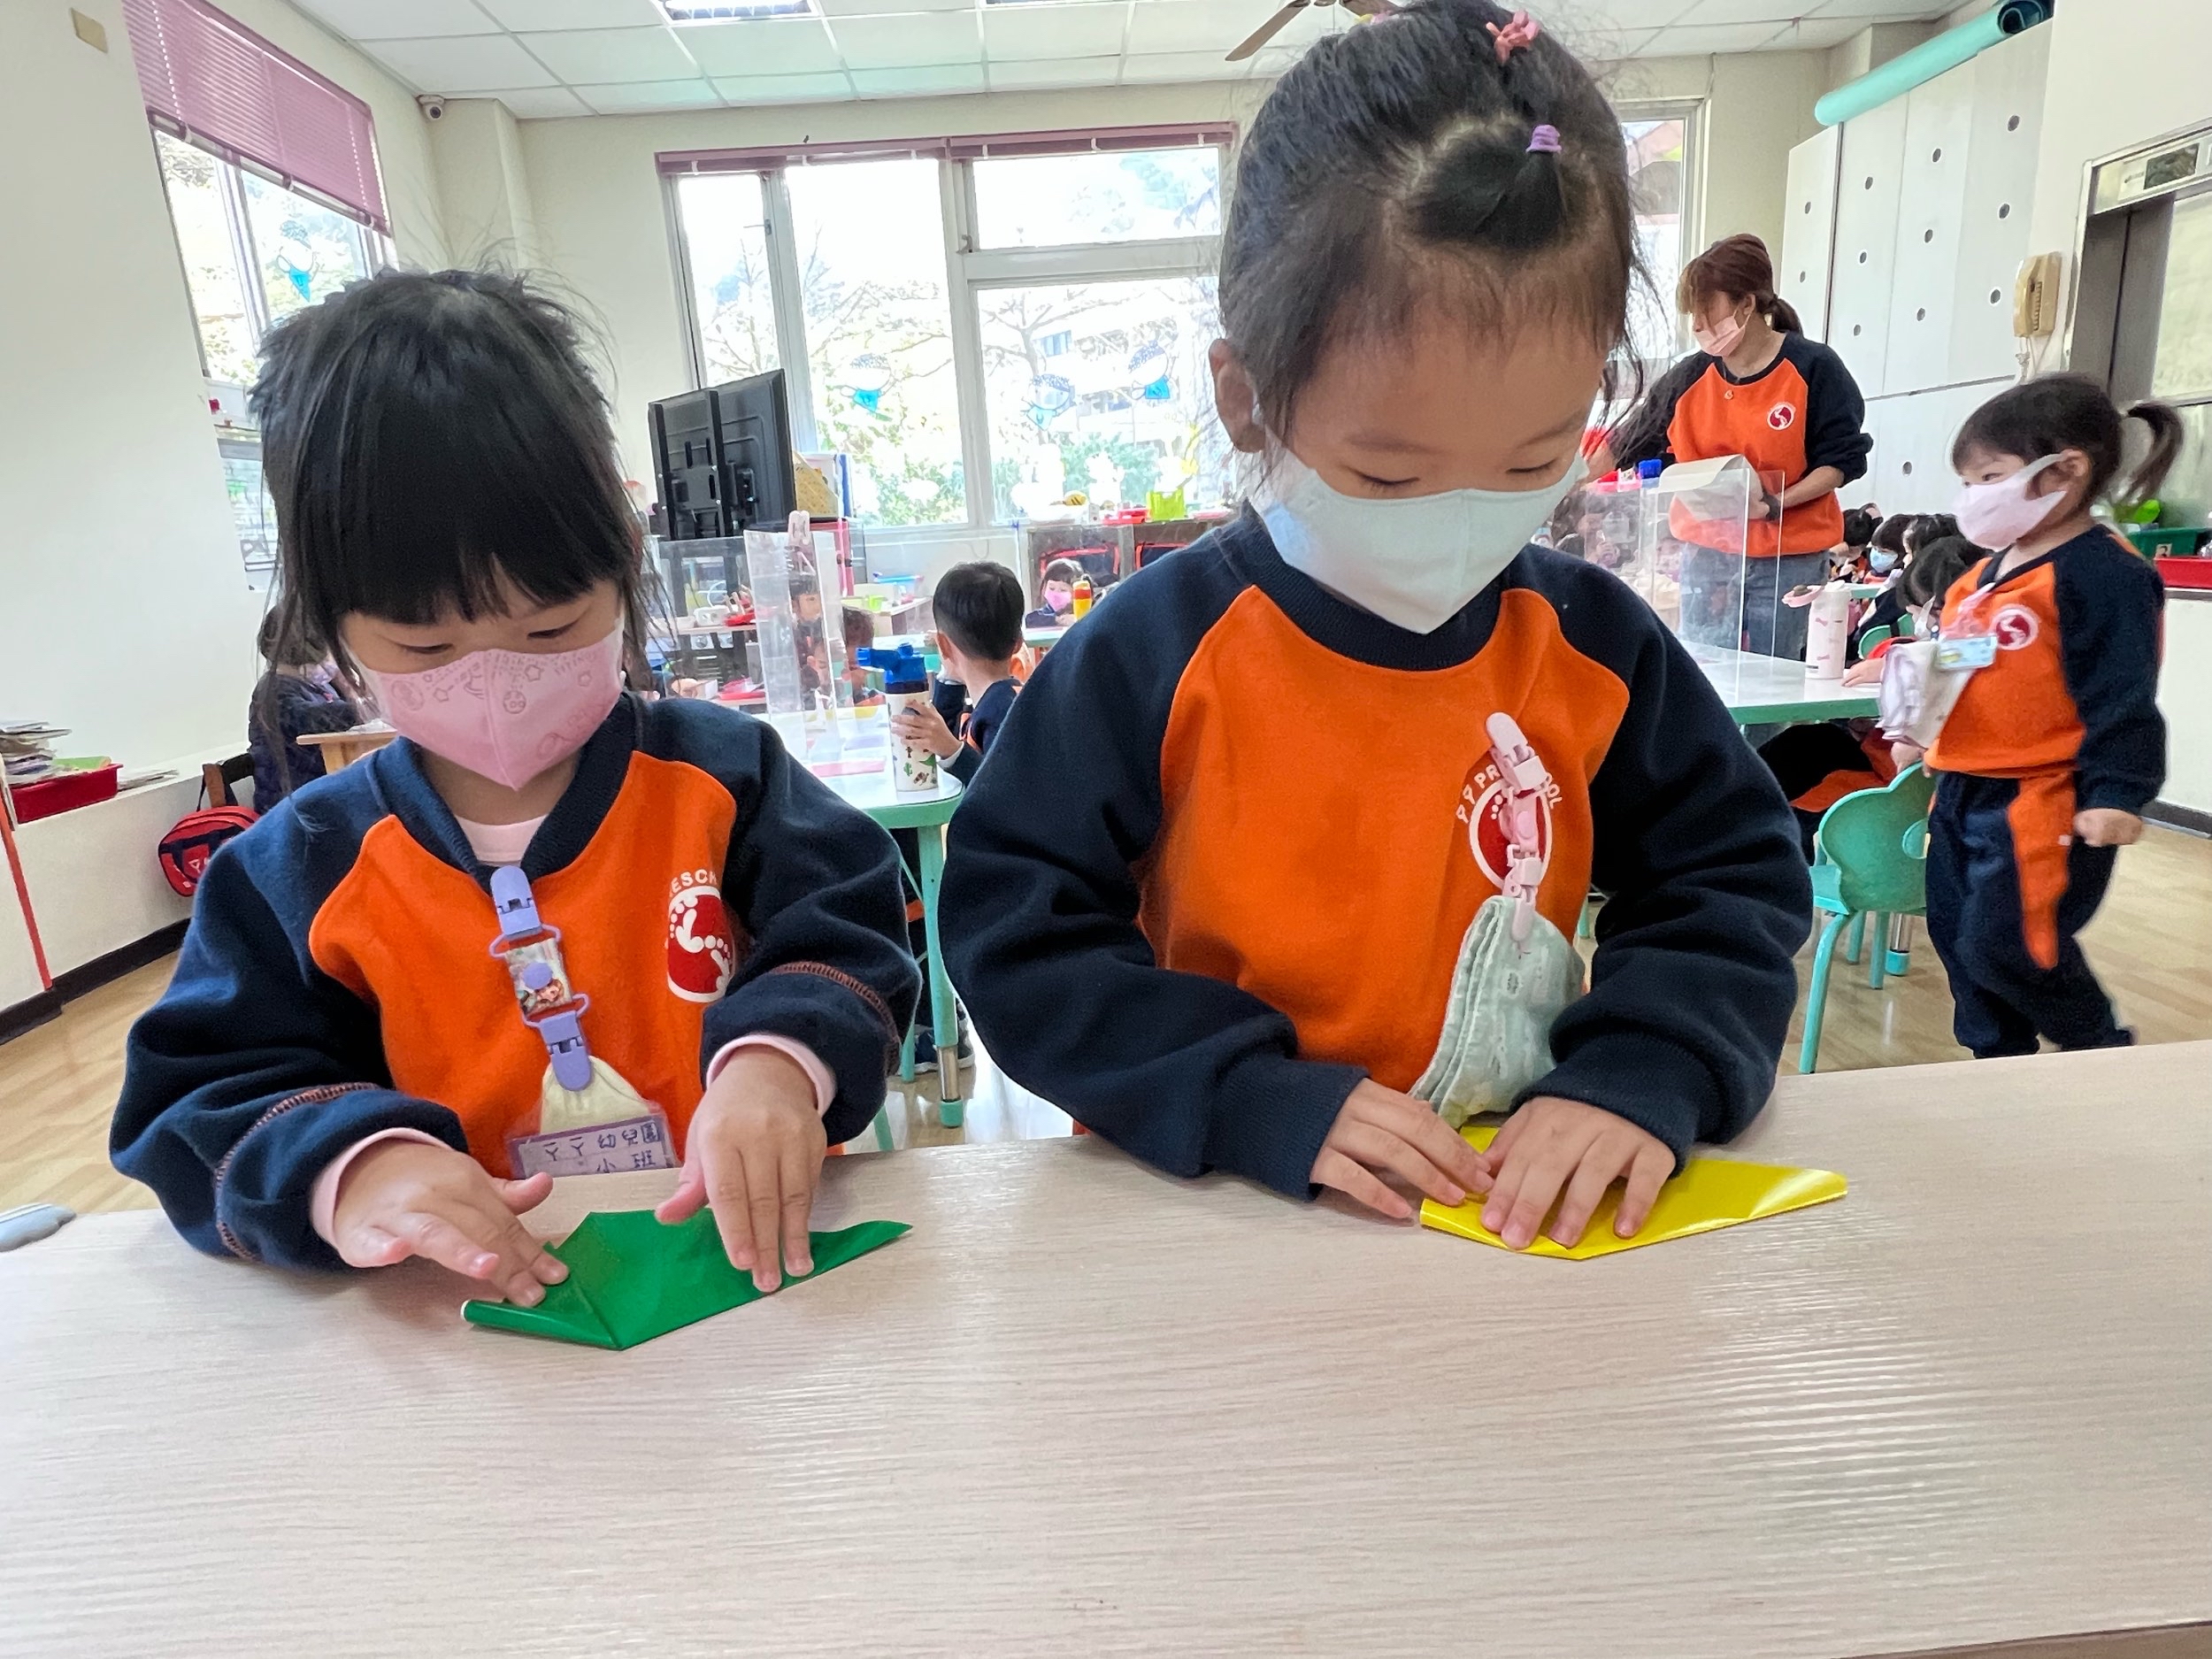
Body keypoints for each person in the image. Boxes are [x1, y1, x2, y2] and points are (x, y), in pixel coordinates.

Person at [941, 0, 1811, 1253]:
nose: (1458, 522)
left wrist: (1641, 1067)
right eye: (1389, 474)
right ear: (1247, 399)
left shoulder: (1592, 644)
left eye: (1531, 463)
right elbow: (1017, 930)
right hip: (1225, 1212)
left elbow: (1729, 872)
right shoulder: (1152, 652)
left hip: (1514, 1217)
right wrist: (1245, 1093)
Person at [113, 271, 918, 1300]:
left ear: (623, 563)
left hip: (746, 1269)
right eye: (426, 645)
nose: (496, 679)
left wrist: (778, 1060)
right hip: (476, 1310)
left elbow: (853, 931)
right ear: (330, 625)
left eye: (550, 628)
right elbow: (200, 1098)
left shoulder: (724, 777)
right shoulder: (299, 865)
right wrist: (352, 1168)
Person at [1910, 373, 2173, 1059]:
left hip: (2039, 795)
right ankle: (1998, 1064)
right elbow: (1964, 661)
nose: (1974, 497)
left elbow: (2122, 690)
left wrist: (2118, 792)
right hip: (1961, 787)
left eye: (1990, 477)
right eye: (1968, 482)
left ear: (2066, 469)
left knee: (2012, 943)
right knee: (1958, 939)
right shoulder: (1983, 575)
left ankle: (2100, 1051)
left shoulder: (2102, 574)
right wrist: (1917, 714)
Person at [1595, 233, 1870, 660]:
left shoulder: (1814, 368)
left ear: (1746, 305)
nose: (1698, 325)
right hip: (1708, 553)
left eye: (1707, 309)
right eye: (1693, 314)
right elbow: (1630, 440)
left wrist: (1776, 504)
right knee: (1706, 669)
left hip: (1788, 557)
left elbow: (1839, 461)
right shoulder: (1689, 377)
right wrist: (1566, 482)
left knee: (1773, 671)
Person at [891, 562, 1024, 786]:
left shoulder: (1001, 714)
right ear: (1018, 642)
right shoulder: (1001, 700)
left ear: (942, 645)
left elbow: (1005, 791)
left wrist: (953, 751)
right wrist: (950, 678)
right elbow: (946, 732)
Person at [246, 610, 361, 808]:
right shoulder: (273, 692)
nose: (336, 659)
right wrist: (358, 700)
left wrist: (348, 689)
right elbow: (320, 720)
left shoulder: (318, 684)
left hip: (321, 791)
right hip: (292, 805)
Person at [1025, 559, 1083, 629]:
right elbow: (1030, 620)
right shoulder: (1043, 613)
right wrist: (1057, 620)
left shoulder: (1083, 612)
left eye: (1063, 590)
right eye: (1051, 588)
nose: (1056, 594)